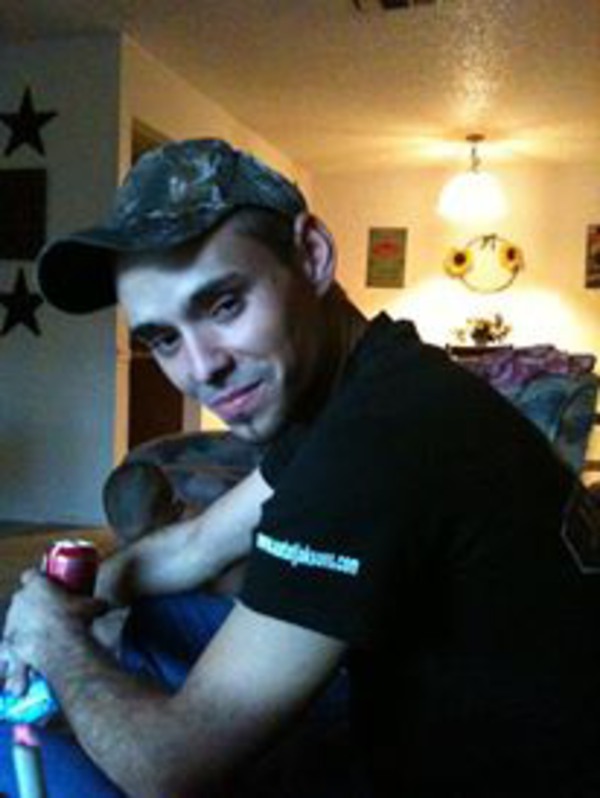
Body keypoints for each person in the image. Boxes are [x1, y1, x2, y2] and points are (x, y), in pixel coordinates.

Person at [1, 137, 600, 798]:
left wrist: (56, 641)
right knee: (157, 610)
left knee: (11, 745)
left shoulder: (377, 440)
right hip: (422, 709)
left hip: (486, 774)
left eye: (224, 304)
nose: (201, 368)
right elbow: (197, 544)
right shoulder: (373, 378)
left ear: (312, 255)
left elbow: (168, 769)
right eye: (164, 338)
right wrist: (82, 597)